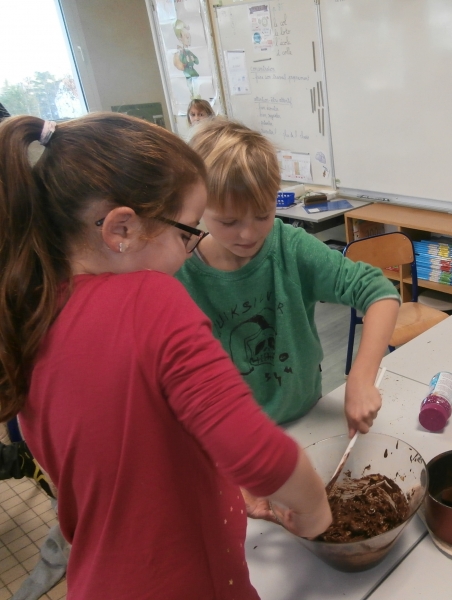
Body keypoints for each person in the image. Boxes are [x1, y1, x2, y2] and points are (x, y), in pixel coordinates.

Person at [0, 113, 332, 600]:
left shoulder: (31, 314)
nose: (192, 247)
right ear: (123, 229)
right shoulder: (152, 298)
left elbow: (134, 461)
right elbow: (258, 454)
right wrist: (314, 507)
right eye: (187, 231)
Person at [175, 119, 400, 436]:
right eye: (229, 221)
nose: (248, 234)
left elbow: (379, 292)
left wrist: (361, 378)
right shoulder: (179, 272)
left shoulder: (289, 247)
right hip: (231, 437)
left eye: (263, 215)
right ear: (198, 208)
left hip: (305, 417)